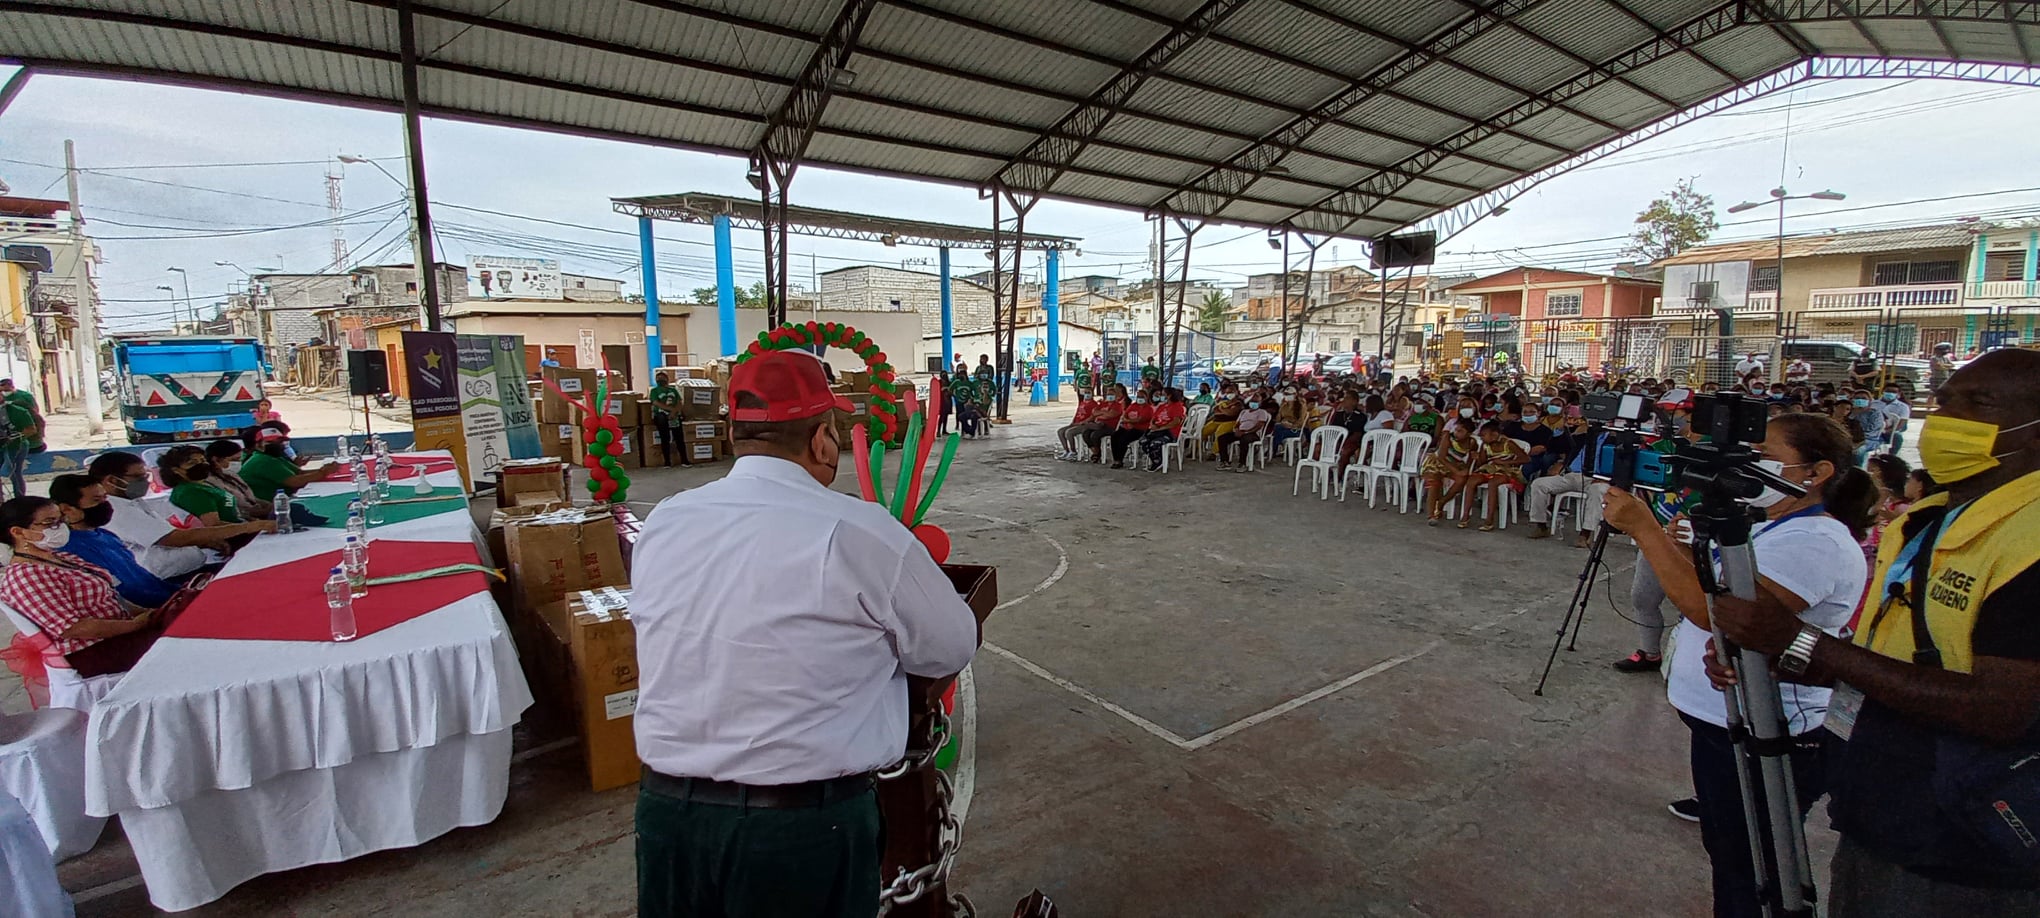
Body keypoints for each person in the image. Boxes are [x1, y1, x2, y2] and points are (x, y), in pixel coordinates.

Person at [629, 349, 978, 918]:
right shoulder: (860, 532)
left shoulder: (665, 521)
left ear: (735, 433)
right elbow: (951, 644)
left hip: (668, 818)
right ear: (821, 440)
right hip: (801, 831)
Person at [1701, 348, 2040, 915]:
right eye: (1945, 403)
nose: (1948, 421)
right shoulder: (1927, 520)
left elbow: (2000, 709)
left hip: (1967, 836)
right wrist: (1779, 656)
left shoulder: (2030, 541)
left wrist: (1801, 640)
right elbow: (1893, 657)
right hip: (1884, 796)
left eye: (1979, 404)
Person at [1602, 412, 1876, 918]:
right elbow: (1717, 591)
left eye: (1764, 457)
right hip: (1727, 722)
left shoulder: (1815, 542)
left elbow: (1714, 613)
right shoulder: (1769, 523)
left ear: (1815, 473)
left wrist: (1645, 529)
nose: (1747, 466)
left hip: (1771, 730)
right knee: (1731, 852)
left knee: (1753, 868)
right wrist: (1681, 546)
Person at [0, 496, 171, 677]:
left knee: (179, 620)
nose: (60, 527)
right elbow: (72, 628)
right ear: (19, 532)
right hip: (94, 651)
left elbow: (110, 595)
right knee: (179, 644)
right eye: (49, 523)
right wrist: (136, 625)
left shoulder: (62, 558)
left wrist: (149, 614)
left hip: (120, 634)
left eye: (61, 520)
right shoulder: (27, 576)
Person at [47, 474, 180, 608]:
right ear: (67, 509)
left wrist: (179, 592)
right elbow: (121, 591)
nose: (105, 505)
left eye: (105, 498)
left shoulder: (105, 534)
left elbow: (140, 575)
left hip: (164, 599)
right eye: (96, 500)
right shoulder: (70, 549)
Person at [1525, 428, 1613, 547]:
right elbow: (1557, 447)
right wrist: (1565, 430)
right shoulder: (1584, 436)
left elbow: (1623, 466)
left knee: (1598, 491)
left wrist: (1608, 478)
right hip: (1571, 474)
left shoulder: (1615, 439)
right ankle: (1540, 525)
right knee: (1539, 484)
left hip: (1597, 479)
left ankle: (1586, 534)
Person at [234, 428, 333, 505]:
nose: (277, 445)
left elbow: (299, 473)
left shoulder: (272, 457)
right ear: (258, 445)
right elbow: (294, 481)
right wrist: (323, 472)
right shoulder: (262, 460)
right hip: (269, 506)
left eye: (279, 442)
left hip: (280, 502)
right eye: (270, 442)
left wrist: (325, 470)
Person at [1465, 421, 1528, 532]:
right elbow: (1482, 462)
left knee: (1493, 483)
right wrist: (1477, 457)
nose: (1481, 438)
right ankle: (1465, 516)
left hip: (1506, 471)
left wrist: (1504, 462)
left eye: (1483, 435)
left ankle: (1490, 519)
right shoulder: (1485, 445)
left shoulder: (1508, 443)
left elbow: (1526, 459)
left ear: (1494, 435)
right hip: (1489, 469)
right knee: (1471, 480)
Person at [160, 445, 245, 526]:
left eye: (203, 460)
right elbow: (214, 525)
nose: (201, 464)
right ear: (176, 470)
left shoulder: (199, 486)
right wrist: (247, 527)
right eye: (192, 463)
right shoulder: (192, 492)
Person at [1421, 422, 1479, 526]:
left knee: (1462, 479)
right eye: (1456, 430)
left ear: (1469, 433)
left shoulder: (1472, 442)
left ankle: (1442, 502)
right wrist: (1457, 471)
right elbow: (1441, 457)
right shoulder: (1447, 437)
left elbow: (1470, 459)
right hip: (1436, 463)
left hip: (1454, 464)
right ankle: (1431, 515)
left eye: (1460, 431)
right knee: (1434, 482)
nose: (1456, 433)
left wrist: (1466, 469)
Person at [204, 439, 273, 520]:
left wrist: (268, 505)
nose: (238, 463)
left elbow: (249, 497)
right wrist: (260, 512)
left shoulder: (231, 475)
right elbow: (229, 509)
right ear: (216, 459)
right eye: (234, 460)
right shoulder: (209, 482)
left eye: (239, 459)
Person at [0, 378, 40, 499]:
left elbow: (31, 429)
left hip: (16, 445)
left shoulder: (18, 411)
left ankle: (20, 498)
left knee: (14, 472)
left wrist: (15, 437)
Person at [1217, 393, 1270, 471]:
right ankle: (1225, 462)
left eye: (1256, 401)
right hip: (1240, 432)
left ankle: (1242, 463)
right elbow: (1237, 424)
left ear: (1260, 403)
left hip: (1252, 433)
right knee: (1222, 438)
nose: (1253, 403)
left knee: (1244, 440)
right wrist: (1236, 430)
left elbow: (1259, 426)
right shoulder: (1244, 412)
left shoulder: (1262, 412)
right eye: (1252, 401)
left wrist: (1246, 432)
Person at [1106, 384, 1152, 469]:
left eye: (1142, 397)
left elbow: (1139, 420)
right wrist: (1127, 422)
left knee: (1123, 439)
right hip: (1128, 427)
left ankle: (1119, 460)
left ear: (1146, 398)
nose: (1139, 398)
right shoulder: (1133, 405)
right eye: (1138, 396)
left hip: (1140, 429)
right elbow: (1124, 415)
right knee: (1115, 436)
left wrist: (1128, 421)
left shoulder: (1148, 408)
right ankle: (1115, 459)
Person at [1140, 388, 1187, 472]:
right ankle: (1155, 458)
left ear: (1169, 396)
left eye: (1163, 394)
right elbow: (1153, 418)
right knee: (1143, 441)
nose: (1161, 396)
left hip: (1169, 433)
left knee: (1154, 444)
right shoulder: (1162, 406)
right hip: (1157, 431)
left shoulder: (1177, 406)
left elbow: (1176, 422)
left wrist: (1161, 428)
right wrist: (1152, 425)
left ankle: (1157, 461)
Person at [649, 372, 688, 468]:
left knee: (679, 438)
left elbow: (679, 402)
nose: (660, 380)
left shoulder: (673, 390)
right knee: (664, 437)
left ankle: (684, 460)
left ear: (667, 379)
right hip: (661, 415)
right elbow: (656, 403)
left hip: (674, 415)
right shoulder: (654, 391)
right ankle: (667, 462)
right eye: (658, 378)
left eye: (662, 378)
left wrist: (674, 412)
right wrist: (671, 410)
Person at [1081, 384, 1126, 464]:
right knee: (1085, 433)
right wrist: (1104, 413)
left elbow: (1111, 415)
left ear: (1115, 396)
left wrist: (1100, 414)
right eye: (1108, 394)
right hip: (1099, 423)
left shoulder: (1118, 405)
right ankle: (1095, 451)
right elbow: (1094, 412)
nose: (1109, 396)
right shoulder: (1103, 404)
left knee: (1095, 435)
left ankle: (1097, 453)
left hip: (1110, 426)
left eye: (1112, 394)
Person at [1055, 391, 1100, 461]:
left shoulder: (1094, 404)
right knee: (1060, 431)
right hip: (1076, 423)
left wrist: (1083, 422)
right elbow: (1077, 413)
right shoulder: (1082, 403)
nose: (1087, 394)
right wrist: (1073, 422)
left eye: (1089, 393)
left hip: (1084, 424)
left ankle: (1073, 452)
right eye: (1085, 393)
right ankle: (1066, 450)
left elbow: (1093, 416)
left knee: (1069, 432)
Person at [1201, 384, 1244, 457]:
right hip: (1217, 421)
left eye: (1231, 392)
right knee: (1203, 431)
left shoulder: (1238, 403)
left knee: (1220, 432)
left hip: (1230, 422)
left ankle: (1214, 453)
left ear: (1236, 392)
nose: (1229, 394)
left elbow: (1231, 413)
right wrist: (1224, 410)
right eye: (1227, 393)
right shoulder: (1223, 402)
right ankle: (1196, 449)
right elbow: (1215, 411)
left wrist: (1222, 409)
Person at [1849, 389, 1886, 465]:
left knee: (1859, 450)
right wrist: (1853, 414)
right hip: (1849, 438)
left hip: (1869, 440)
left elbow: (1871, 429)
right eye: (1857, 398)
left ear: (1870, 400)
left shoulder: (1875, 413)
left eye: (1864, 398)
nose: (1860, 400)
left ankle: (1857, 468)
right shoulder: (1849, 412)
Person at [1875, 383, 1910, 455]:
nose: (1890, 393)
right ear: (1882, 391)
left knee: (1897, 437)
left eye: (1893, 392)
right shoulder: (1873, 403)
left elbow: (1901, 424)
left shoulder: (1903, 406)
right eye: (1888, 391)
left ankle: (1892, 456)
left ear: (1898, 394)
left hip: (1890, 431)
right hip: (1874, 430)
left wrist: (1886, 431)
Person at [1926, 340, 1956, 408]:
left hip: (1945, 378)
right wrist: (1945, 366)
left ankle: (1941, 407)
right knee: (1933, 393)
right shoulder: (1934, 358)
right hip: (1936, 378)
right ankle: (1928, 407)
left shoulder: (1945, 358)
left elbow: (1952, 365)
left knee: (1944, 393)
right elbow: (1938, 367)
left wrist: (1943, 365)